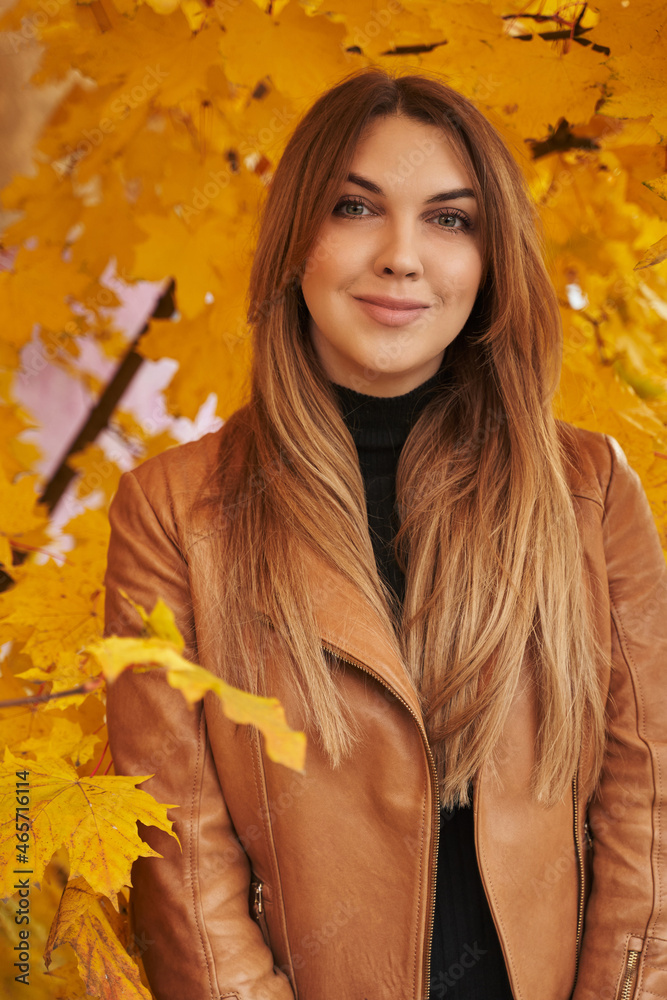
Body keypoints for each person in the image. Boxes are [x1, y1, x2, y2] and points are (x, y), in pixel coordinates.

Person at [104, 68, 667, 1000]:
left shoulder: (588, 490)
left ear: (490, 261)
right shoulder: (172, 510)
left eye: (450, 219)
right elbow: (183, 860)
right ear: (295, 241)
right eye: (355, 207)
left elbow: (646, 808)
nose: (402, 256)